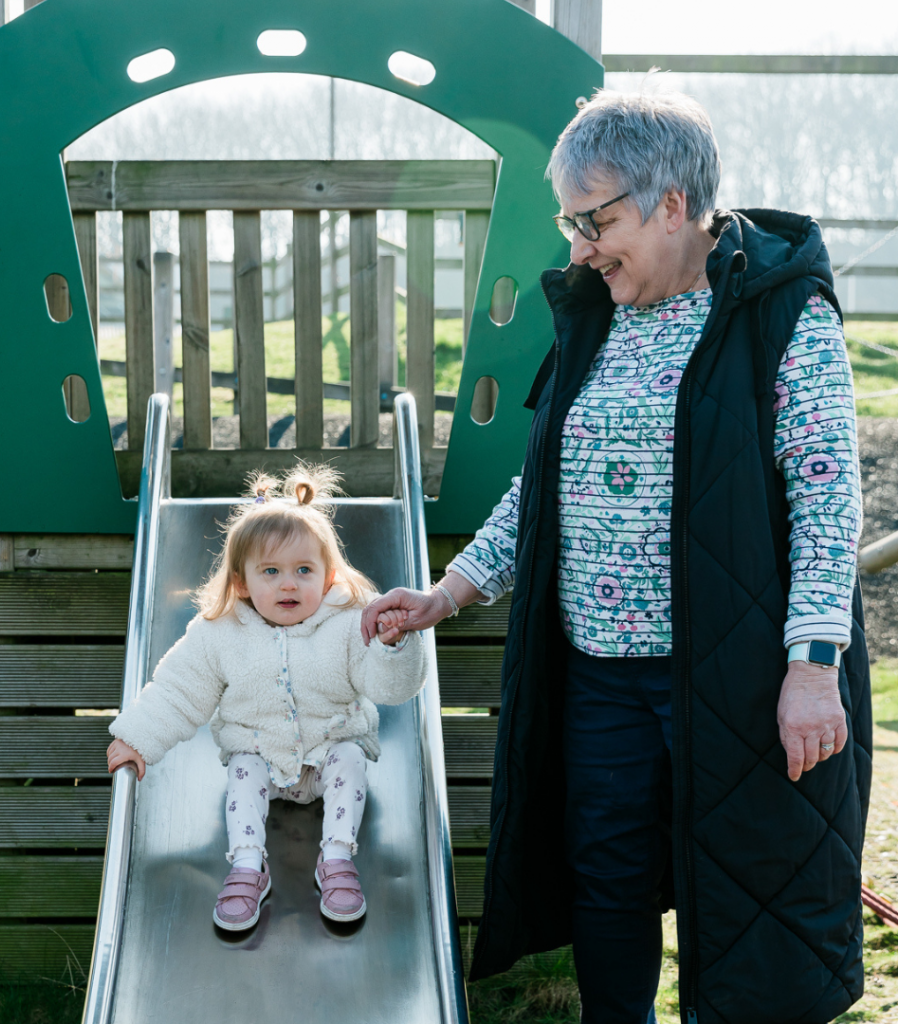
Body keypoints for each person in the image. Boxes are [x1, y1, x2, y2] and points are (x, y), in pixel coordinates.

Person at [362, 89, 869, 1024]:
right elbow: (543, 485)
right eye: (571, 221)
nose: (580, 247)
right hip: (599, 675)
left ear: (673, 204)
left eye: (596, 220)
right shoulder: (599, 312)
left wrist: (812, 665)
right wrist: (451, 590)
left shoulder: (781, 314)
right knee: (609, 886)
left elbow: (827, 497)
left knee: (746, 894)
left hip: (735, 675)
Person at [107, 465, 426, 930]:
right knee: (242, 767)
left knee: (351, 759)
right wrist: (138, 738)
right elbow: (179, 689)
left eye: (303, 570)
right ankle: (247, 866)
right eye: (270, 572)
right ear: (241, 583)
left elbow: (390, 689)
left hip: (325, 759)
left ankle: (336, 859)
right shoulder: (220, 633)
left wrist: (391, 647)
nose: (288, 584)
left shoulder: (349, 624)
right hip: (262, 762)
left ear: (328, 575)